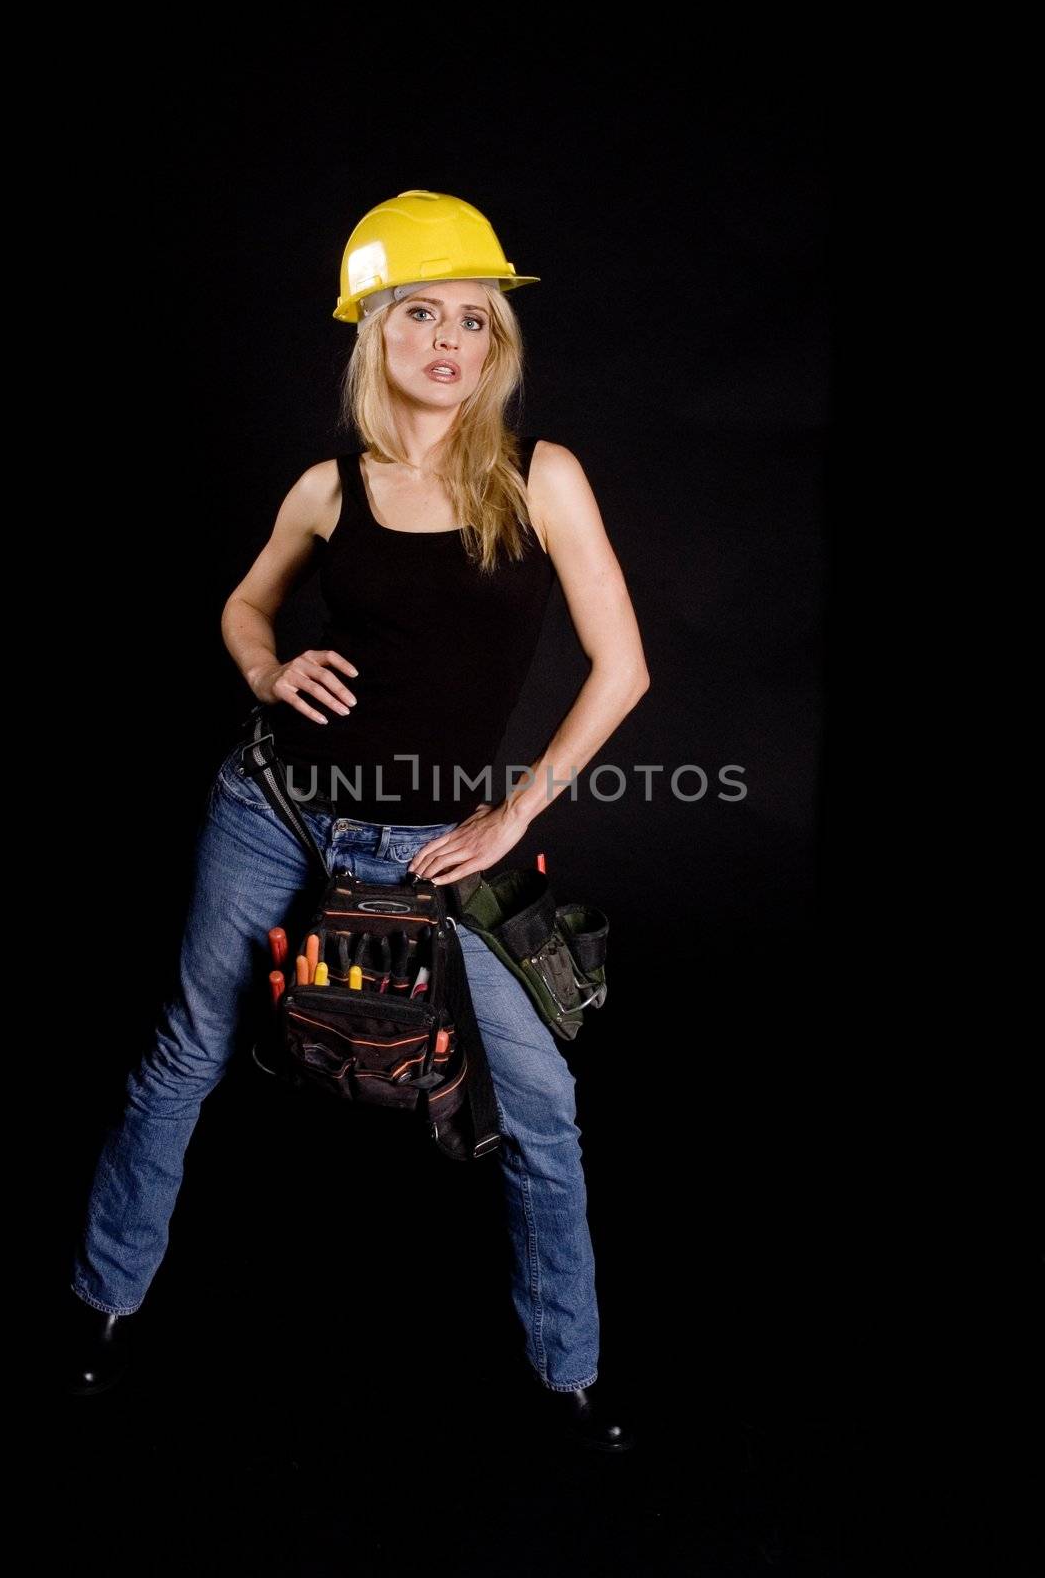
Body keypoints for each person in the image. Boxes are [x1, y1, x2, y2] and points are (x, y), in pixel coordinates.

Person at [64, 190, 650, 1452]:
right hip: (272, 807)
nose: (448, 340)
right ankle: (102, 1301)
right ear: (374, 333)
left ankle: (568, 1371)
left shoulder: (538, 477)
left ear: (497, 346)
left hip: (429, 846)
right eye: (421, 314)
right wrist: (268, 672)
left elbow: (622, 670)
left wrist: (509, 816)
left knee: (539, 1103)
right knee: (186, 1049)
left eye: (474, 320)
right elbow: (242, 607)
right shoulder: (330, 486)